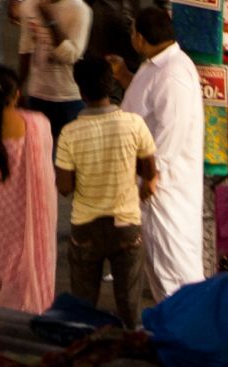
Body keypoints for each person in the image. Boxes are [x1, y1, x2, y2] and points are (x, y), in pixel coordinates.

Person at [54, 56, 158, 330]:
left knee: (82, 311)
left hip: (85, 228)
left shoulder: (69, 133)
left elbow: (64, 188)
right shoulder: (134, 124)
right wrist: (145, 185)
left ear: (80, 91)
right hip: (126, 227)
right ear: (111, 85)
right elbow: (149, 170)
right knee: (130, 308)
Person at [118, 6, 205, 299]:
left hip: (164, 190)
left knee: (174, 266)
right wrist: (122, 76)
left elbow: (169, 137)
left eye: (133, 34)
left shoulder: (174, 75)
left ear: (141, 39)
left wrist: (150, 179)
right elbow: (146, 105)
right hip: (147, 184)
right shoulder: (154, 64)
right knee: (157, 266)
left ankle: (190, 333)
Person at [0, 65, 58, 313]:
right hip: (25, 211)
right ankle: (22, 310)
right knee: (21, 265)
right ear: (17, 93)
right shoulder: (38, 124)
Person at [18, 0, 92, 145]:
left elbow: (71, 55)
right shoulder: (28, 7)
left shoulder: (80, 11)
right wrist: (19, 88)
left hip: (70, 95)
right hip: (39, 93)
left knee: (70, 154)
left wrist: (49, 18)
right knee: (38, 151)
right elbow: (25, 50)